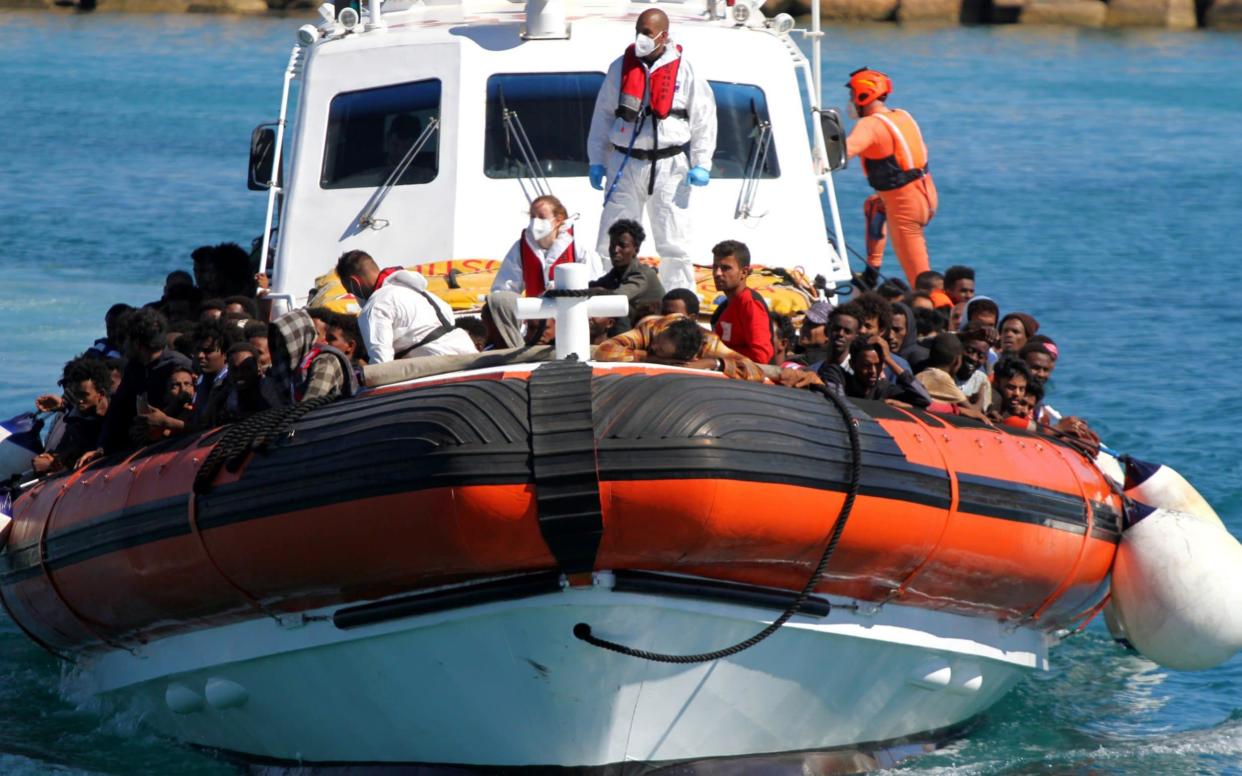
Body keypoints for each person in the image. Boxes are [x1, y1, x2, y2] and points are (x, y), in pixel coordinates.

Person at [587, 8, 717, 292]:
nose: (641, 37)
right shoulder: (620, 68)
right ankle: (610, 297)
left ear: (663, 35)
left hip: (670, 167)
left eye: (647, 32)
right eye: (639, 31)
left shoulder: (686, 70)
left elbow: (703, 117)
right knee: (613, 237)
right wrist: (597, 160)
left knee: (674, 240)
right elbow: (603, 116)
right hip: (625, 163)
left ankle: (679, 299)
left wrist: (702, 163)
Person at [845, 67, 938, 287]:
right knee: (874, 205)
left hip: (905, 206)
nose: (849, 102)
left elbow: (839, 154)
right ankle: (872, 270)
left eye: (851, 96)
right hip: (925, 194)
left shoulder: (869, 125)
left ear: (863, 95)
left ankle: (938, 312)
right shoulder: (902, 115)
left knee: (919, 279)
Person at [336, 250, 477, 363]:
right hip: (468, 355)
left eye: (348, 288)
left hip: (437, 366)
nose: (350, 293)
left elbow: (381, 361)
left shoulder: (376, 305)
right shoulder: (422, 293)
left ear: (354, 282)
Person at [89, 308, 193, 460]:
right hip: (139, 444)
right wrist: (101, 447)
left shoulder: (178, 367)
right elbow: (118, 409)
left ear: (136, 343)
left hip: (173, 446)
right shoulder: (135, 367)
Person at [595, 313, 764, 381]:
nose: (652, 346)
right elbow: (605, 350)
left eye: (657, 350)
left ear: (687, 358)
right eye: (655, 346)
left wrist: (715, 364)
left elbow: (755, 372)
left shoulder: (709, 343)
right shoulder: (652, 330)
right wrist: (650, 358)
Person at [491, 195, 603, 297]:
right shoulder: (521, 247)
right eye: (533, 217)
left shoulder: (578, 245)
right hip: (535, 315)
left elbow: (594, 284)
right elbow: (505, 287)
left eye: (541, 217)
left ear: (558, 220)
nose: (535, 221)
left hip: (571, 314)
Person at [31, 358, 112, 475]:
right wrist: (51, 459)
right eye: (76, 394)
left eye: (84, 395)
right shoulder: (77, 418)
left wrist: (99, 453)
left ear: (101, 393)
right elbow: (66, 449)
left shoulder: (115, 417)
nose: (79, 400)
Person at [587, 219, 666, 330]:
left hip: (654, 331)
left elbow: (616, 297)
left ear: (636, 250)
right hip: (639, 328)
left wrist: (597, 290)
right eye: (612, 245)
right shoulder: (618, 272)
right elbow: (593, 286)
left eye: (622, 246)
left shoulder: (642, 275)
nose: (615, 250)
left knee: (619, 310)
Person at [709, 241, 773, 365]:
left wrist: (721, 359)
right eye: (715, 267)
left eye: (725, 268)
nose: (717, 273)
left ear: (744, 272)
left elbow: (761, 357)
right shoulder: (724, 307)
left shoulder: (750, 304)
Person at [820, 336, 931, 407]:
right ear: (852, 365)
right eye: (866, 365)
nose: (873, 371)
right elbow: (839, 403)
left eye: (877, 365)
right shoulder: (840, 377)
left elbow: (924, 398)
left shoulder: (884, 389)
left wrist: (889, 360)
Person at [957, 327, 993, 412]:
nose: (973, 358)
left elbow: (981, 412)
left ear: (986, 359)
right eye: (969, 351)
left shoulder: (982, 380)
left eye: (980, 356)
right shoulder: (947, 371)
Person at [888, 301, 929, 372]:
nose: (890, 336)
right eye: (886, 329)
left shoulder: (920, 359)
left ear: (909, 329)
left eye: (897, 330)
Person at [990, 357, 1032, 425]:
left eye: (1021, 389)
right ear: (996, 383)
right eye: (1011, 387)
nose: (1017, 394)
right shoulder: (994, 397)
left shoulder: (1008, 409)